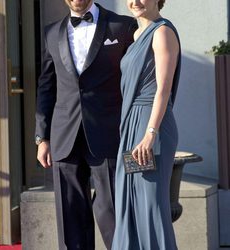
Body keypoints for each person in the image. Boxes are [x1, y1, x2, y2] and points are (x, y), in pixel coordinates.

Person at [35, 0, 137, 249]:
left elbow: (135, 81)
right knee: (70, 215)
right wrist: (42, 138)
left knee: (112, 211)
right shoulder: (51, 32)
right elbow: (46, 87)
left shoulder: (122, 26)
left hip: (110, 135)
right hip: (64, 135)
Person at [112, 0, 181, 249]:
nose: (135, 2)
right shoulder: (136, 34)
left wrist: (150, 134)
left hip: (151, 127)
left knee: (150, 205)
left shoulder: (162, 32)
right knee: (130, 201)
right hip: (132, 125)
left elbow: (163, 89)